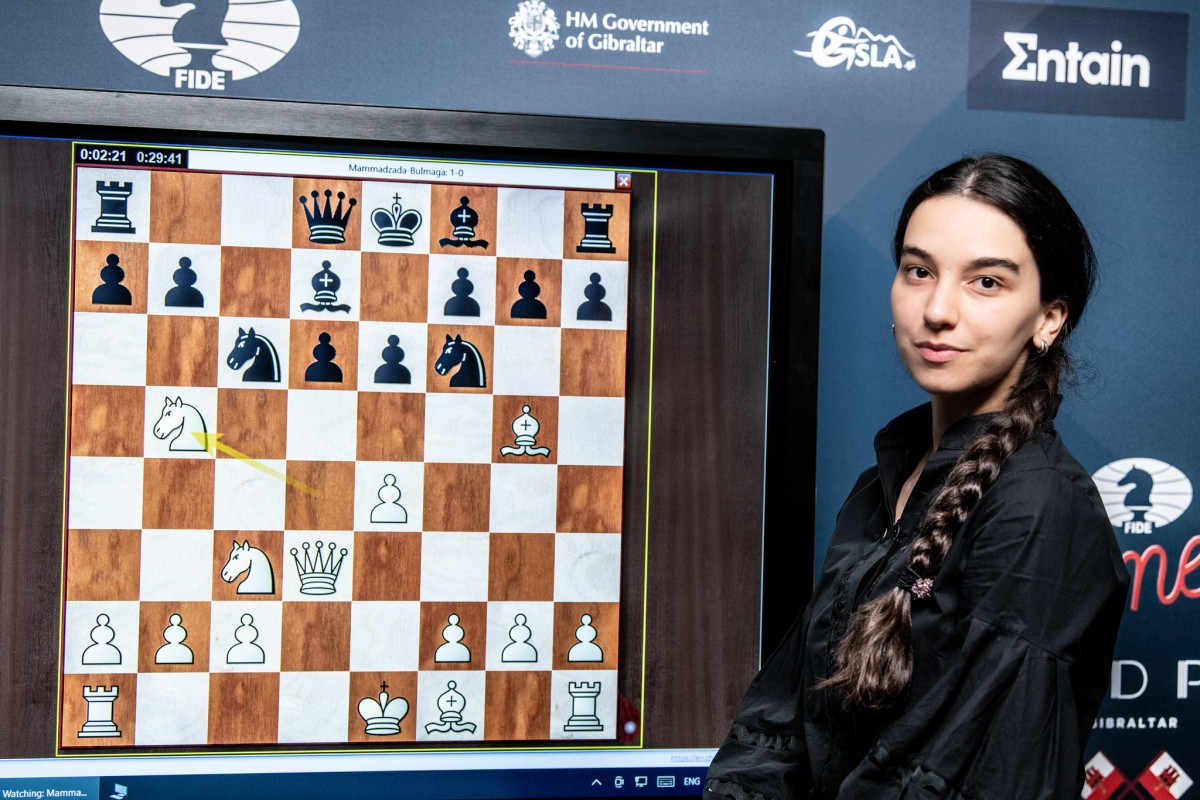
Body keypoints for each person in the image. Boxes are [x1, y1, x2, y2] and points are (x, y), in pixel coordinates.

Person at [704, 154, 1129, 800]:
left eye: (986, 282)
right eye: (918, 270)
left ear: (1049, 317)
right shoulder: (883, 481)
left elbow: (979, 779)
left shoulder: (1040, 509)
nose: (937, 309)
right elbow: (781, 728)